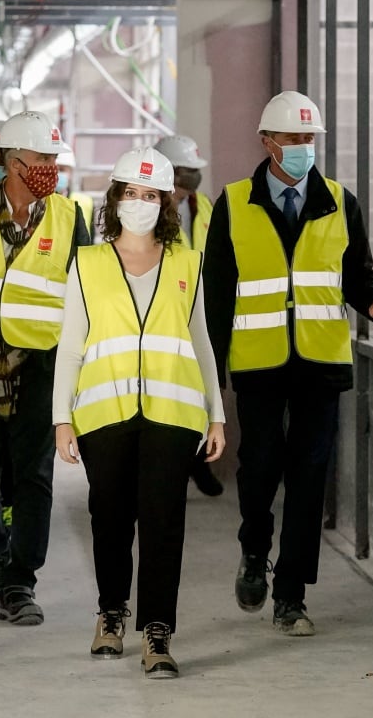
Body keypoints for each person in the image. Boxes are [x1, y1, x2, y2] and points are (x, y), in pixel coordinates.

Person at [203, 91, 373, 636]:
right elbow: (216, 296)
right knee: (260, 468)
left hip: (320, 362)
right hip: (260, 364)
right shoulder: (234, 203)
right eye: (292, 139)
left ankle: (291, 594)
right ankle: (253, 550)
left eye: (309, 140)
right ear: (267, 142)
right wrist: (211, 382)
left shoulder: (341, 201)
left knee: (310, 477)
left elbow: (357, 271)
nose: (302, 148)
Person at [54, 147, 225, 679]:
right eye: (131, 193)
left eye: (151, 195)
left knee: (162, 524)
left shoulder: (186, 264)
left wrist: (216, 415)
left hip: (173, 415)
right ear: (115, 198)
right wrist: (62, 417)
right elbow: (71, 347)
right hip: (105, 415)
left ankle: (157, 631)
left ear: (167, 202)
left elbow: (202, 345)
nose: (141, 203)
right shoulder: (88, 263)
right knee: (108, 519)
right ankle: (111, 613)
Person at [0, 109, 90, 625]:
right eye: (41, 157)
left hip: (41, 363)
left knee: (34, 476)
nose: (50, 166)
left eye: (54, 157)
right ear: (12, 160)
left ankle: (20, 582)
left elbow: (85, 296)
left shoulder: (71, 217)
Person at [154, 134, 224, 498]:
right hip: (160, 321)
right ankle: (176, 470)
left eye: (194, 175)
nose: (190, 183)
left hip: (196, 317)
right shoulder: (142, 210)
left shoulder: (206, 209)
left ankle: (195, 463)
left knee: (196, 398)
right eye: (184, 175)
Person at [154, 134, 213, 251]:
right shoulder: (150, 208)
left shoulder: (203, 203)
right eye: (190, 170)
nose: (196, 176)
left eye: (196, 170)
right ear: (169, 171)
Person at [56, 146, 94, 237]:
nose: (56, 174)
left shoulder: (85, 202)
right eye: (53, 169)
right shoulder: (36, 202)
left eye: (62, 170)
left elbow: (90, 239)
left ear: (71, 172)